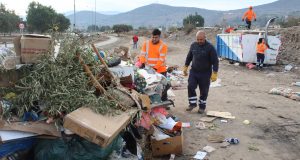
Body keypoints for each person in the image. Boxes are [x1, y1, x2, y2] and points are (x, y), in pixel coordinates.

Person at [183, 31, 219, 114]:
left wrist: (215, 72)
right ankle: (192, 104)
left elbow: (215, 61)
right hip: (194, 71)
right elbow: (189, 57)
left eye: (201, 39)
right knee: (190, 86)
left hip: (205, 73)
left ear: (205, 38)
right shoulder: (193, 45)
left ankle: (202, 107)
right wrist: (185, 66)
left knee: (204, 91)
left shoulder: (210, 47)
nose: (199, 41)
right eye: (198, 39)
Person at [139, 28, 169, 101]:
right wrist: (142, 62)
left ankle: (164, 102)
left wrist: (155, 68)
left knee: (163, 86)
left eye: (156, 37)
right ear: (151, 36)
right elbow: (142, 54)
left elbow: (161, 59)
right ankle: (153, 101)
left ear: (159, 37)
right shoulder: (146, 44)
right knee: (150, 87)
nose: (154, 39)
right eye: (153, 37)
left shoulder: (163, 46)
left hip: (160, 69)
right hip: (149, 70)